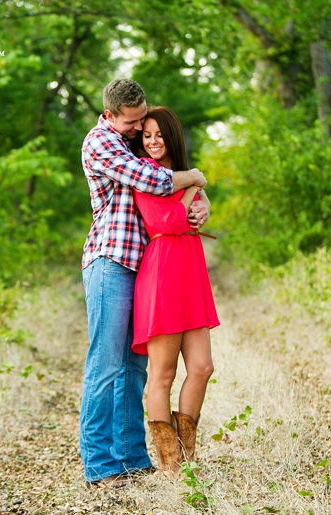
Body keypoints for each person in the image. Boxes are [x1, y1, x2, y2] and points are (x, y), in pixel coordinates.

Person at [80, 79, 211, 487]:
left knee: (134, 368)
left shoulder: (130, 141)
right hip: (110, 261)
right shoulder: (101, 142)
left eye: (143, 120)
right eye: (133, 122)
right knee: (106, 365)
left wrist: (202, 197)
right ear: (110, 115)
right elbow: (153, 180)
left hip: (143, 266)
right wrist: (195, 178)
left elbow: (166, 177)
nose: (139, 128)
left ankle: (132, 458)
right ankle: (100, 465)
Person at [130, 106, 220, 477]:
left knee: (202, 367)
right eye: (146, 135)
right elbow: (165, 221)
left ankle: (188, 456)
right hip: (163, 273)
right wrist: (193, 188)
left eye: (159, 135)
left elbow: (196, 215)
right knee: (162, 375)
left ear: (172, 137)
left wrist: (203, 202)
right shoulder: (144, 174)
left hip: (190, 273)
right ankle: (172, 467)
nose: (152, 141)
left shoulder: (182, 174)